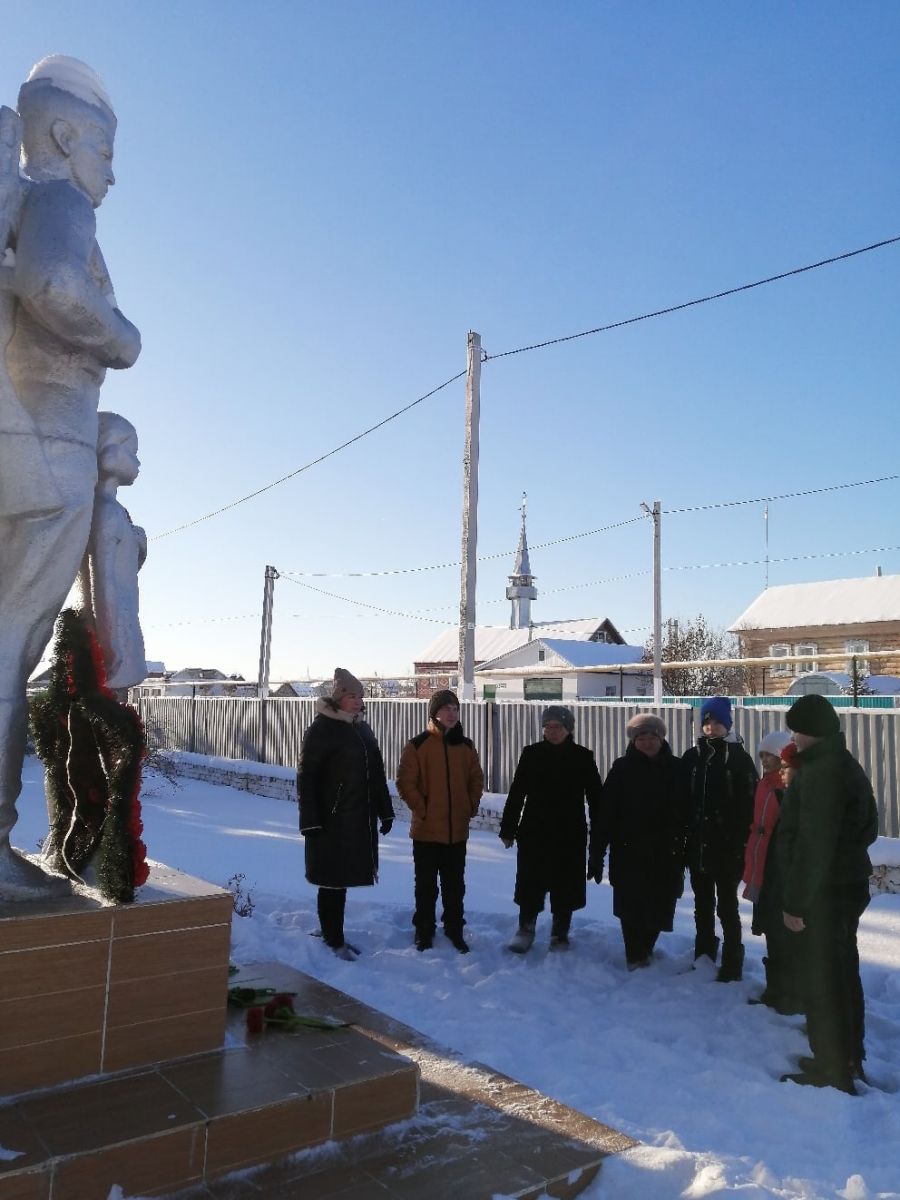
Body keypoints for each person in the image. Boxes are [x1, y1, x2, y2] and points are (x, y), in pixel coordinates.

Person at [0, 57, 141, 895]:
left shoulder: (22, 205)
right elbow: (53, 281)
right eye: (104, 150)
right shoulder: (59, 204)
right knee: (11, 646)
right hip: (49, 451)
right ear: (61, 135)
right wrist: (124, 338)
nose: (111, 175)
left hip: (26, 439)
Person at [777, 694, 878, 1095]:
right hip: (845, 886)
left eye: (797, 730)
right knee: (842, 975)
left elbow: (812, 846)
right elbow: (868, 827)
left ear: (814, 731)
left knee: (823, 981)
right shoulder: (843, 762)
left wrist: (795, 903)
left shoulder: (820, 772)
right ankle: (848, 1057)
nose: (793, 738)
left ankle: (831, 1069)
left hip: (824, 894)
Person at [297, 668, 394, 960]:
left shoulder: (362, 729)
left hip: (356, 818)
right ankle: (333, 938)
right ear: (339, 697)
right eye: (352, 696)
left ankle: (331, 931)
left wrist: (385, 811)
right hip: (330, 819)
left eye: (360, 696)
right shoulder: (322, 729)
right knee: (332, 879)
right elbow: (307, 777)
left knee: (340, 878)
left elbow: (376, 774)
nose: (358, 701)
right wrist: (310, 821)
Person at [499, 705, 603, 954]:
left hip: (570, 833)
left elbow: (597, 800)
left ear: (568, 729)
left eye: (557, 726)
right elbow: (517, 792)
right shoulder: (531, 754)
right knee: (530, 883)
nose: (552, 731)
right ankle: (525, 929)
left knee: (565, 885)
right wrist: (508, 828)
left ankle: (560, 933)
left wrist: (600, 837)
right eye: (547, 726)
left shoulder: (582, 757)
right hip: (535, 831)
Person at [591, 713, 688, 968]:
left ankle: (646, 947)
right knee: (630, 905)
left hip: (666, 850)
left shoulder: (678, 768)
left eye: (652, 737)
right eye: (641, 738)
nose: (647, 742)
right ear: (633, 741)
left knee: (660, 903)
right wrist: (597, 854)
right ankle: (635, 954)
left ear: (661, 738)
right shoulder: (622, 768)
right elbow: (606, 813)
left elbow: (688, 811)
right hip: (629, 849)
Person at [396, 689, 484, 953]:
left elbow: (476, 779)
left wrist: (469, 805)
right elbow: (405, 783)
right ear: (435, 713)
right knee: (425, 887)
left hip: (457, 831)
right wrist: (423, 809)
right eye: (446, 708)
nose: (452, 713)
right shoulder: (418, 745)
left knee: (454, 886)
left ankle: (454, 929)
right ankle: (424, 931)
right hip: (426, 831)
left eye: (455, 709)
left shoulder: (466, 746)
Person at [682, 697, 757, 981]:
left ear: (727, 725)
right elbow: (682, 800)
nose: (711, 727)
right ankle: (704, 953)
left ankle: (732, 961)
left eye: (716, 722)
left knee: (727, 907)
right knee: (702, 905)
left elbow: (749, 805)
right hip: (698, 846)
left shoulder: (738, 758)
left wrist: (740, 844)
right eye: (706, 722)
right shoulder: (693, 757)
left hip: (727, 849)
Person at [78, 412, 147, 690]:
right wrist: (113, 647)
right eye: (132, 452)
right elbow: (102, 581)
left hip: (124, 619)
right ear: (109, 451)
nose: (138, 462)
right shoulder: (106, 512)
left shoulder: (111, 512)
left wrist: (138, 547)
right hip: (118, 625)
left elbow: (123, 572)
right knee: (112, 697)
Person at [742, 729, 802, 1014]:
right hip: (762, 864)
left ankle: (789, 995)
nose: (765, 760)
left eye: (771, 756)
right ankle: (775, 990)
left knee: (783, 935)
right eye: (762, 755)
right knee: (770, 930)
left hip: (779, 868)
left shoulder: (787, 788)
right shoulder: (763, 784)